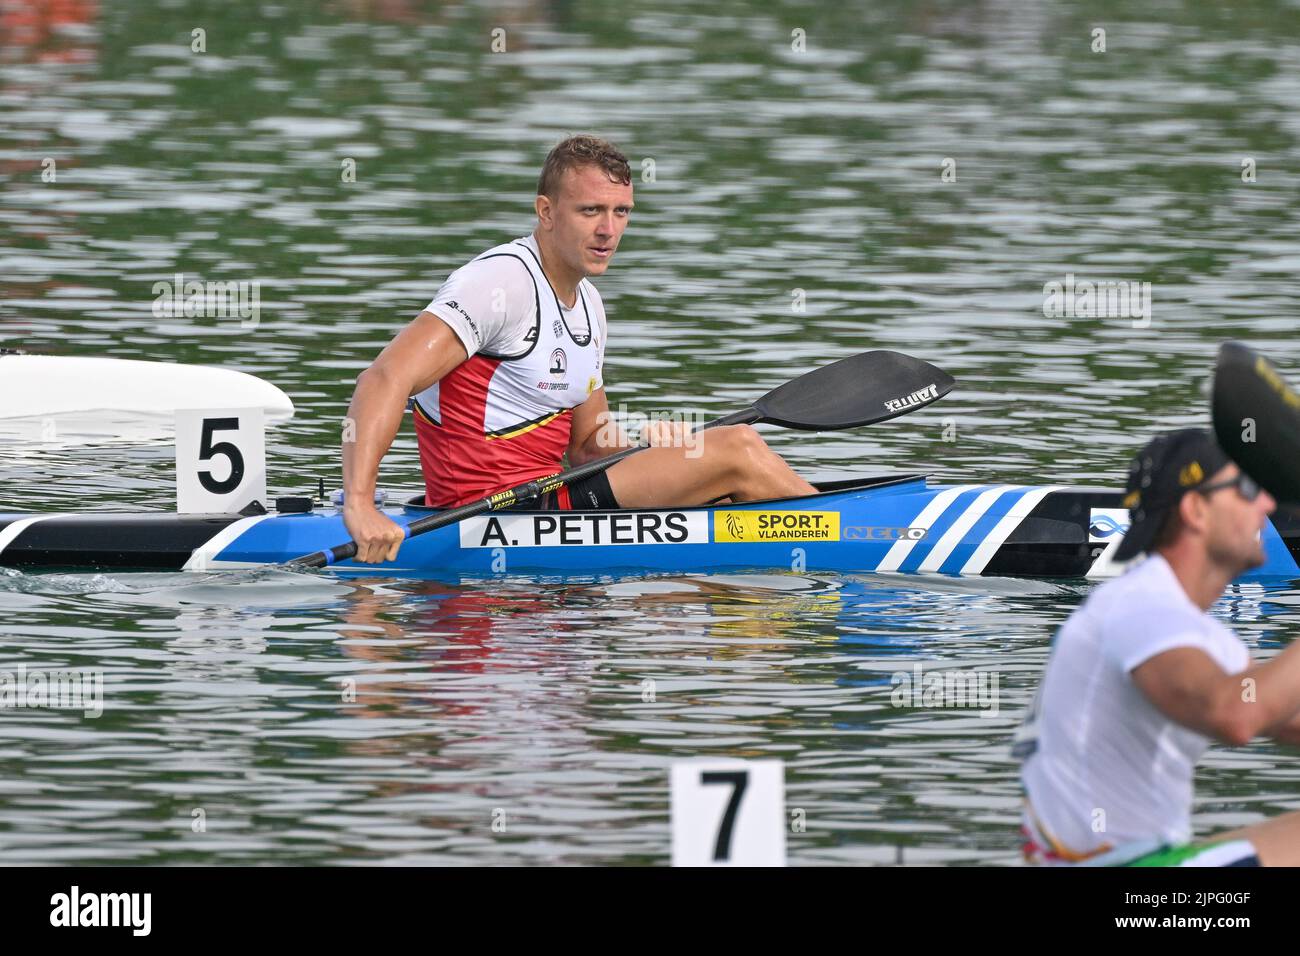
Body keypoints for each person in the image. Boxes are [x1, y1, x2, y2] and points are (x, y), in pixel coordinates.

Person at [341, 134, 816, 563]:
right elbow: (383, 379)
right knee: (738, 448)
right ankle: (857, 537)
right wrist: (360, 505)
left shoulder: (588, 302)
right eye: (590, 211)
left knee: (718, 474)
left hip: (552, 502)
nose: (608, 230)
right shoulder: (500, 282)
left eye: (621, 212)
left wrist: (659, 448)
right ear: (546, 212)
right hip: (487, 513)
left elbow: (589, 447)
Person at [1018, 427, 1300, 866]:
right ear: (1196, 510)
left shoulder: (1192, 631)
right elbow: (1237, 715)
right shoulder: (1142, 606)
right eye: (1246, 488)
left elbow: (1283, 717)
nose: (1267, 503)